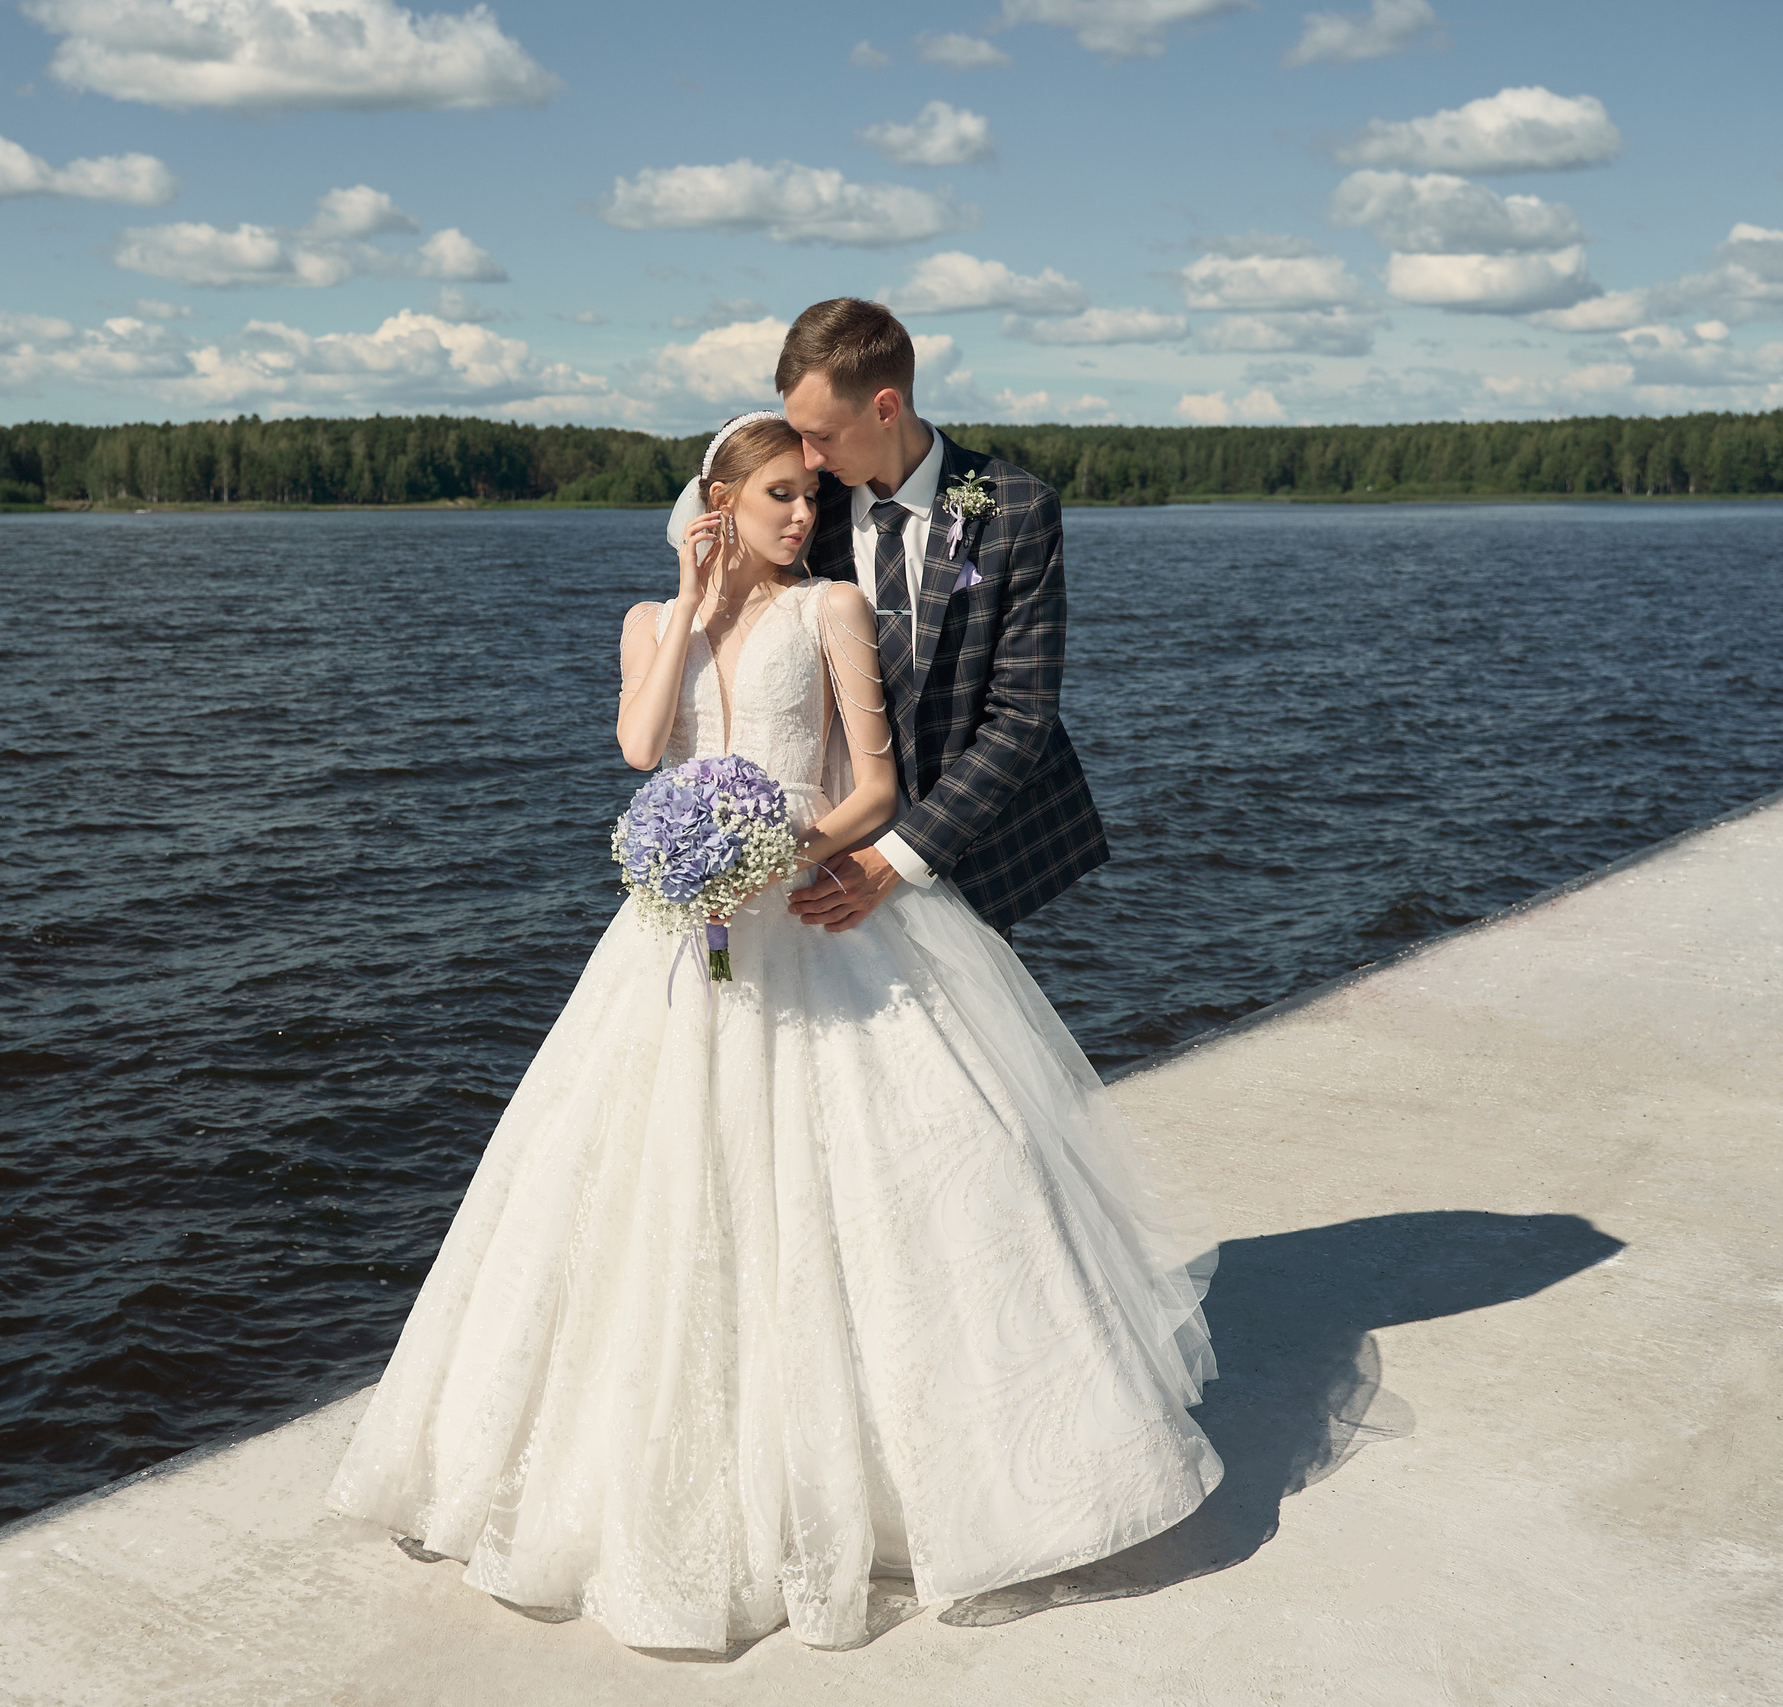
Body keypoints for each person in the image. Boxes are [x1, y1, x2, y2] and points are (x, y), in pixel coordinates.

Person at [324, 406, 1218, 1655]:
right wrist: (688, 602)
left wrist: (784, 849)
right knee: (665, 1192)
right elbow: (642, 748)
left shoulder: (831, 609)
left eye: (812, 495)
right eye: (780, 501)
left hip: (812, 911)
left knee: (897, 1171)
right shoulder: (650, 623)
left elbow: (876, 788)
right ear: (719, 507)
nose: (807, 517)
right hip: (677, 941)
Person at [776, 297, 1110, 946]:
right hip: (825, 858)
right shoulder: (805, 511)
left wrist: (898, 859)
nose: (808, 459)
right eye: (799, 436)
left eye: (822, 435)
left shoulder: (1016, 510)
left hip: (960, 853)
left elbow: (1022, 716)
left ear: (885, 407)